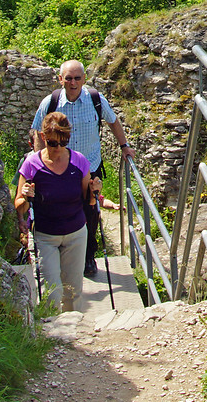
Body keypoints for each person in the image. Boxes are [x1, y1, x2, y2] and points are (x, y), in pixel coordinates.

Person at [31, 60, 134, 278]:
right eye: (68, 78)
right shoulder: (51, 102)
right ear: (60, 79)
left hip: (90, 167)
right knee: (59, 209)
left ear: (84, 79)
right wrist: (38, 164)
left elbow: (113, 121)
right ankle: (59, 254)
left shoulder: (95, 100)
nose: (73, 82)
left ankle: (88, 256)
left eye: (77, 78)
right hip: (58, 169)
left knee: (90, 213)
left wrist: (124, 146)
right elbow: (37, 132)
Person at [15, 112, 98, 312]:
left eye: (64, 142)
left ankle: (75, 335)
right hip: (45, 236)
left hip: (76, 234)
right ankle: (54, 338)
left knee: (73, 291)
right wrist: (25, 196)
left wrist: (96, 190)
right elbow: (19, 206)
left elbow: (89, 200)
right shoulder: (31, 164)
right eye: (53, 143)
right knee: (51, 292)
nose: (59, 148)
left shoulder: (79, 161)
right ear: (43, 138)